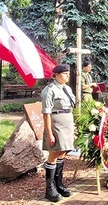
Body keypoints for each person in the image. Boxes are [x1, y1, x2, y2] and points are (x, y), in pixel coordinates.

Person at [41, 64, 75, 202]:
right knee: (54, 153)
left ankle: (58, 184)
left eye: (68, 73)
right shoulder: (50, 90)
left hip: (67, 123)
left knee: (62, 152)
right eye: (65, 73)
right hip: (56, 124)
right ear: (56, 75)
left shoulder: (67, 88)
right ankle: (49, 189)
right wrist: (50, 133)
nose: (68, 75)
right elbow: (46, 114)